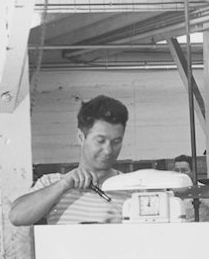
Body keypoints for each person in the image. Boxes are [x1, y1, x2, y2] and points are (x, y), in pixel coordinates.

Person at [9, 95, 129, 226]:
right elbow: (16, 217)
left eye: (116, 142)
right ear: (80, 137)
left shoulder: (132, 189)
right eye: (100, 141)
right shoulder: (52, 183)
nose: (108, 150)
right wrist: (63, 185)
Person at [174, 154, 209, 222]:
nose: (180, 173)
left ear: (192, 172)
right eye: (177, 170)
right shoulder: (171, 190)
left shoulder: (203, 190)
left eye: (184, 170)